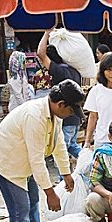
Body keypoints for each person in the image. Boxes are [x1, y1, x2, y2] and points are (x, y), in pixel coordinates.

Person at [0, 79, 84, 222]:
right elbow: (37, 159)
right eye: (70, 111)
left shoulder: (54, 115)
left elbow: (59, 144)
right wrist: (50, 192)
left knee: (33, 205)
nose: (70, 115)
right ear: (61, 105)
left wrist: (66, 173)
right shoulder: (34, 115)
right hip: (7, 164)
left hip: (23, 164)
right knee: (21, 211)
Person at [38, 30, 84, 159]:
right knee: (72, 146)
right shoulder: (75, 71)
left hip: (66, 116)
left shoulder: (58, 71)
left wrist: (47, 32)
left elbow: (40, 54)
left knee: (62, 149)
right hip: (75, 117)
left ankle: (62, 178)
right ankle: (90, 163)